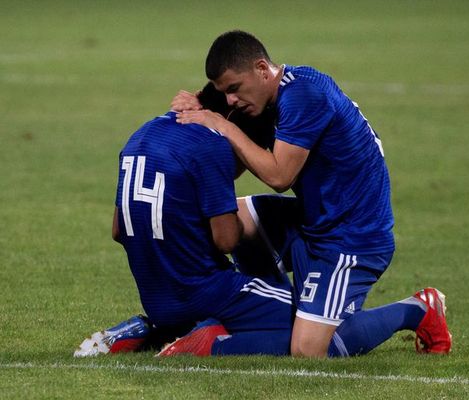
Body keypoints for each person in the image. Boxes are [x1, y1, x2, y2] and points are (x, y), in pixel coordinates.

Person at [172, 30, 452, 357]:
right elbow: (235, 165)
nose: (231, 100)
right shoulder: (264, 101)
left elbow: (278, 175)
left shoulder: (305, 95)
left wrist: (223, 125)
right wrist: (205, 108)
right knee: (229, 218)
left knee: (308, 351)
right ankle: (269, 314)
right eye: (225, 93)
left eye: (234, 89)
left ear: (263, 69)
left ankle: (419, 309)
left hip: (352, 238)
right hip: (313, 220)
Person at [75, 84, 296, 358]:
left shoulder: (140, 134)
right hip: (208, 292)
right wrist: (237, 222)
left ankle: (148, 331)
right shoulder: (212, 144)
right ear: (231, 123)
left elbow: (118, 230)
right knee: (317, 323)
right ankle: (210, 344)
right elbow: (226, 240)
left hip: (158, 302)